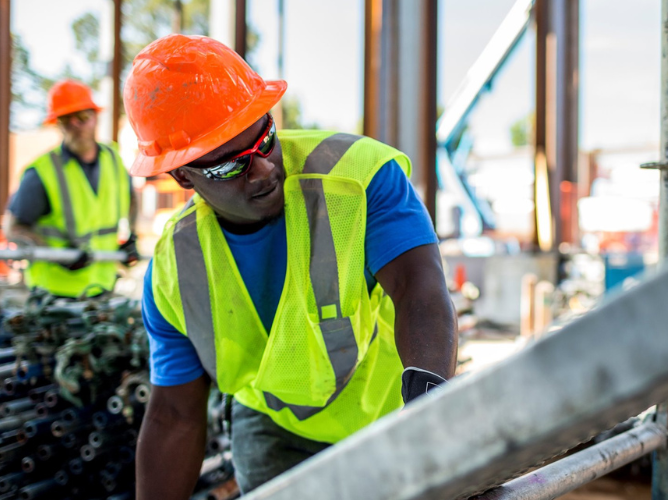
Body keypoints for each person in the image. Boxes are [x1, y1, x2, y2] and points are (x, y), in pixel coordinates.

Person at [126, 34, 458, 498]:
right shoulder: (176, 270)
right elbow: (174, 416)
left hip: (390, 411)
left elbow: (419, 289)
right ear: (183, 175)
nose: (263, 169)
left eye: (264, 139)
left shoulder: (357, 176)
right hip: (274, 430)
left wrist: (429, 406)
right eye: (229, 166)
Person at [4, 79, 139, 298]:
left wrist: (133, 236)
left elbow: (132, 199)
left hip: (102, 287)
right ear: (58, 124)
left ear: (95, 118)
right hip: (54, 294)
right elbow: (14, 227)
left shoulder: (114, 160)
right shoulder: (42, 172)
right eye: (66, 120)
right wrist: (57, 254)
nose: (76, 125)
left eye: (83, 118)